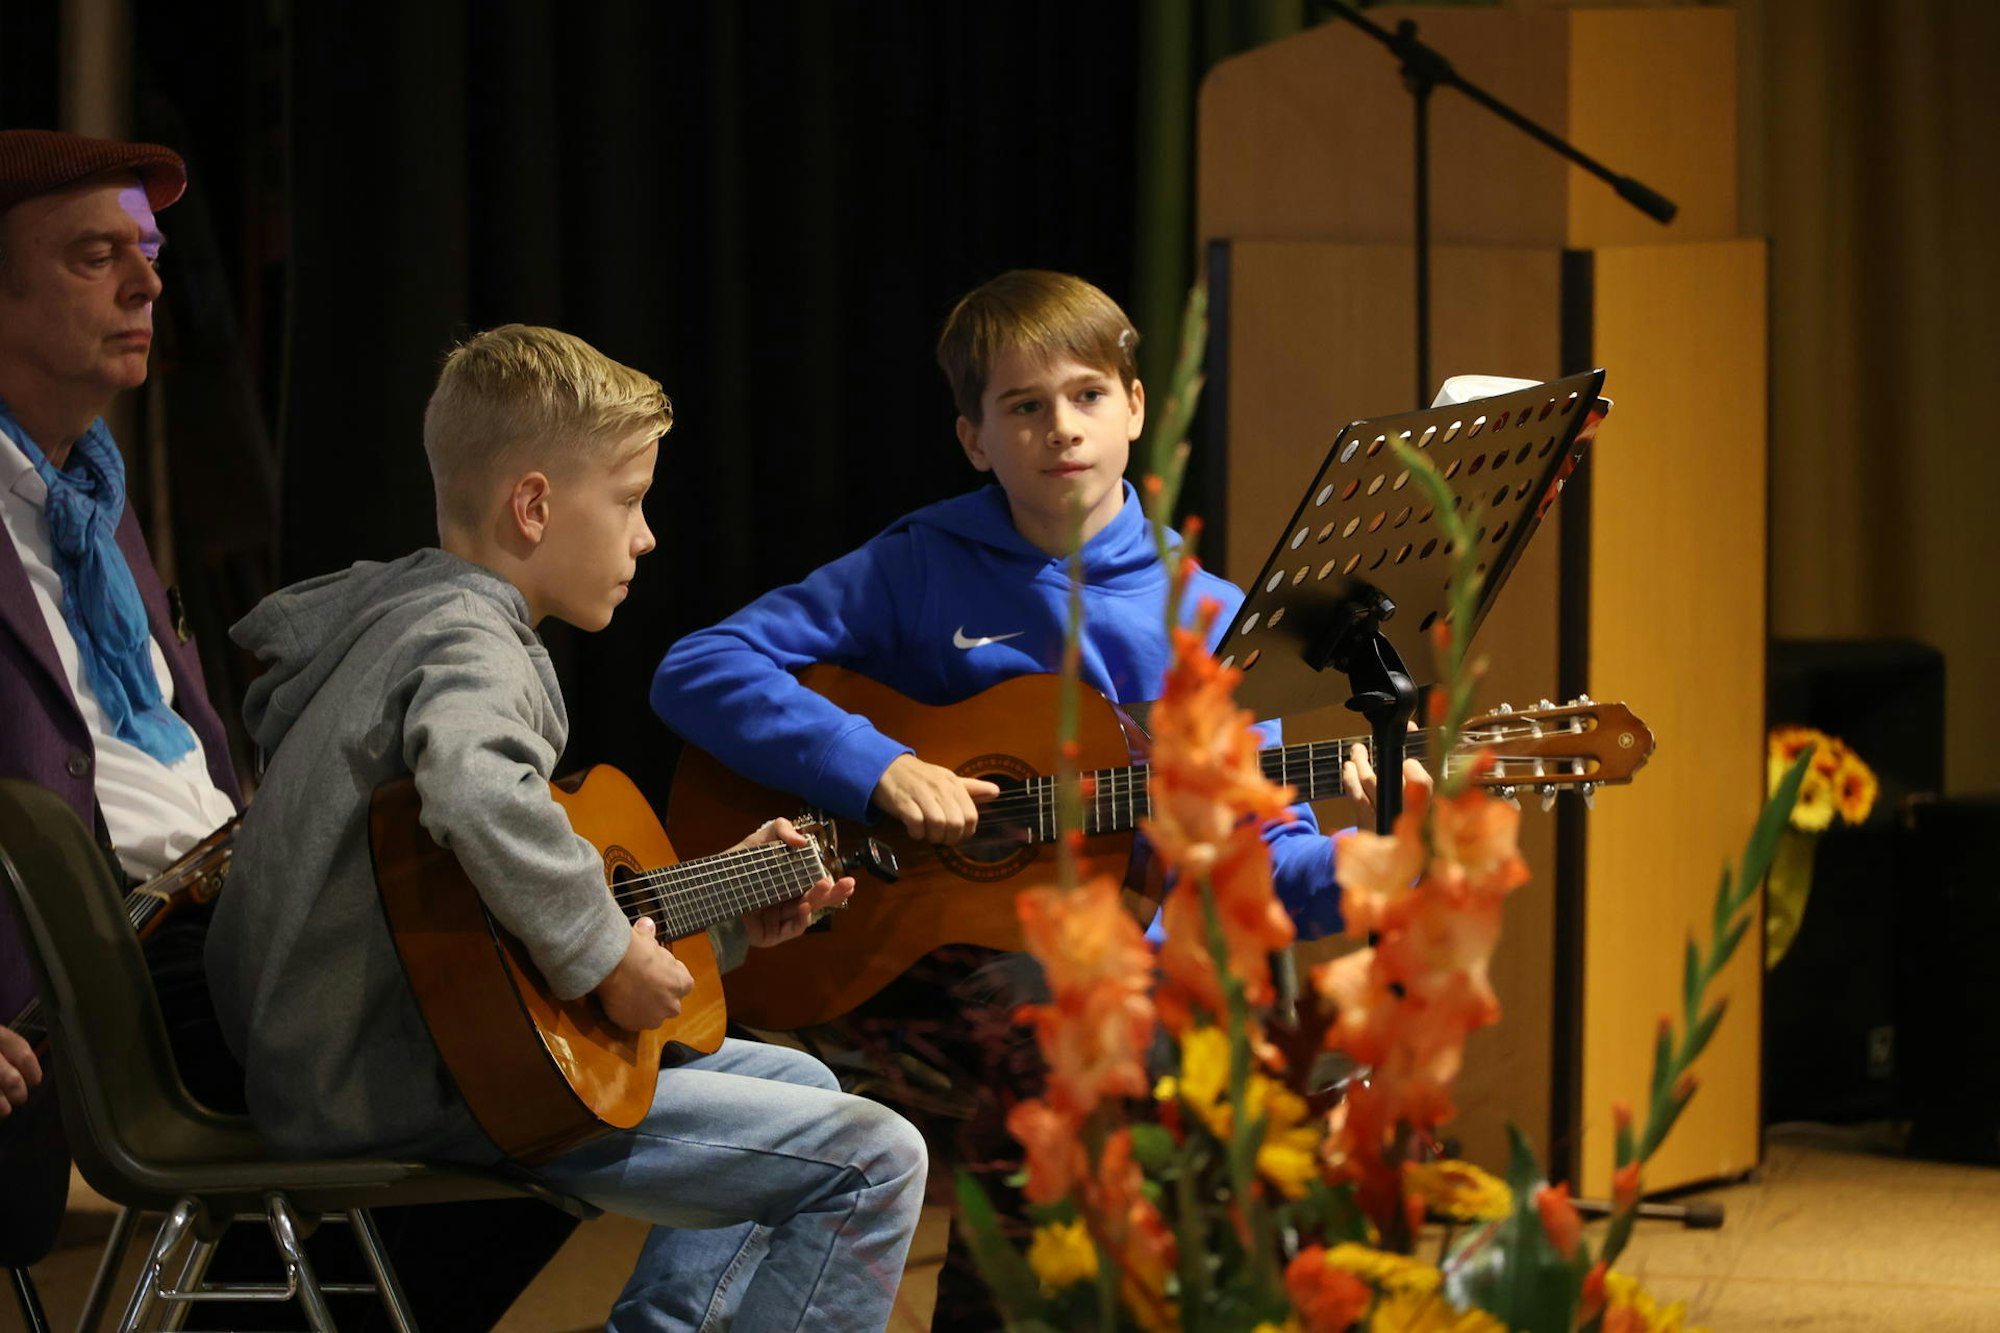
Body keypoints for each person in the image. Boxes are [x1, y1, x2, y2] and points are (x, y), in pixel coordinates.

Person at [650, 268, 1422, 1326]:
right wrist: (872, 763)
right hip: (907, 948)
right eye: (1022, 406)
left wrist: (1379, 859)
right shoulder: (920, 566)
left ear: (1136, 407)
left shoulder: (1214, 619)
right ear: (974, 437)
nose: (1060, 427)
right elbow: (697, 667)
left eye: (1086, 395)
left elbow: (1261, 866)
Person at [203, 323, 929, 1332]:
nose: (646, 537)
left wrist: (719, 917)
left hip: (347, 1060)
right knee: (877, 1159)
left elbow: (462, 907)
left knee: (800, 1075)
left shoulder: (392, 618)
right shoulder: (472, 637)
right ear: (535, 505)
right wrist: (603, 956)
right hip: (399, 1081)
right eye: (628, 500)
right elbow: (477, 787)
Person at [0, 128, 576, 1328]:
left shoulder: (90, 495)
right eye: (96, 255)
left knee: (564, 1051)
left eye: (149, 252)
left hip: (211, 921)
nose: (150, 283)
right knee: (538, 1079)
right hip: (112, 977)